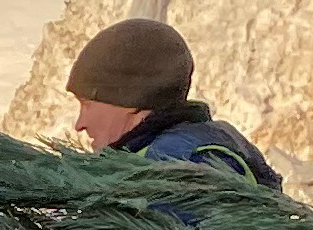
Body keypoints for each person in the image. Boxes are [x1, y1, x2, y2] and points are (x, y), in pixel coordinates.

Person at [64, 17, 284, 188]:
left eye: (86, 104)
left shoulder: (178, 165)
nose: (80, 124)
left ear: (129, 99)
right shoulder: (188, 146)